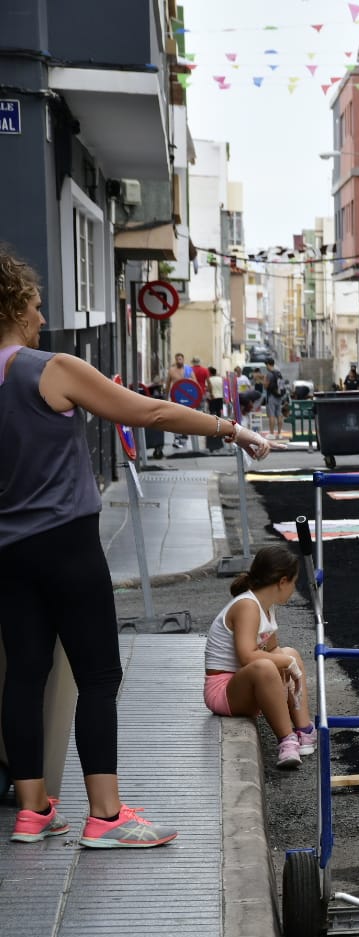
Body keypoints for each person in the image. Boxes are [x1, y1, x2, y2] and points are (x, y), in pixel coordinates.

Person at [0, 244, 274, 848]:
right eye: (38, 307)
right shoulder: (51, 369)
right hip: (65, 544)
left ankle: (31, 811)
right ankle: (105, 815)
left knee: (25, 674)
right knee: (99, 672)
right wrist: (231, 427)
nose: (42, 318)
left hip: (7, 553)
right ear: (16, 305)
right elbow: (151, 412)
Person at [203, 547, 314, 770]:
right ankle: (286, 739)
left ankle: (304, 731)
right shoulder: (247, 606)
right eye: (294, 582)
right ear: (283, 581)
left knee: (290, 653)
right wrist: (283, 664)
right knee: (265, 665)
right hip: (223, 691)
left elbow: (273, 648)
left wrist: (286, 661)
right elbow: (247, 656)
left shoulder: (265, 607)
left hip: (242, 685)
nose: (294, 588)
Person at [262, 358, 286, 439]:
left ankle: (271, 433)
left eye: (266, 365)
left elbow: (265, 386)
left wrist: (264, 380)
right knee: (279, 414)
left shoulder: (269, 374)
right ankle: (279, 434)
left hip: (271, 396)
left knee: (271, 415)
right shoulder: (278, 372)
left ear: (269, 364)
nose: (266, 367)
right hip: (279, 396)